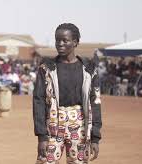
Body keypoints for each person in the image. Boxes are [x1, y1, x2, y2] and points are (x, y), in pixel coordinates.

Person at [33, 23, 102, 163]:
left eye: (65, 40)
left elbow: (95, 102)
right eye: (57, 40)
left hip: (80, 125)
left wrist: (95, 137)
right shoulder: (46, 68)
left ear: (75, 42)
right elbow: (38, 101)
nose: (60, 44)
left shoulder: (89, 69)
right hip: (52, 124)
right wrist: (42, 136)